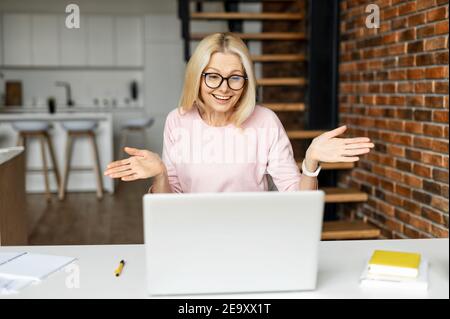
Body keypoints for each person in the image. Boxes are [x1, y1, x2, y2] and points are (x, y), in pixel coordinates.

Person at [104, 32, 374, 193]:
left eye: (235, 77)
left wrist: (312, 161)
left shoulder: (265, 121)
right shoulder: (178, 120)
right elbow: (169, 202)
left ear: (246, 81)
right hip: (193, 237)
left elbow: (298, 198)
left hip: (253, 238)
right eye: (212, 76)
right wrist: (160, 173)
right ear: (197, 77)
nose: (224, 88)